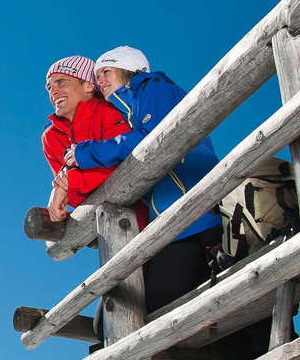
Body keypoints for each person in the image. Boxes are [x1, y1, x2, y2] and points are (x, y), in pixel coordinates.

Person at [62, 46, 220, 312]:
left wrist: (85, 152)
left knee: (151, 299)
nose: (100, 82)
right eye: (97, 76)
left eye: (106, 72)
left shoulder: (152, 87)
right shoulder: (129, 107)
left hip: (193, 214)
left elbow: (149, 139)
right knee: (120, 306)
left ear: (129, 70)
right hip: (172, 219)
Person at [40, 55, 134, 224]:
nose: (53, 91)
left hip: (143, 212)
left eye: (61, 82)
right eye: (49, 87)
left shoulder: (110, 112)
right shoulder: (51, 138)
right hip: (104, 224)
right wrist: (63, 187)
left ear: (88, 85)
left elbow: (126, 160)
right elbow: (74, 195)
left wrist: (71, 182)